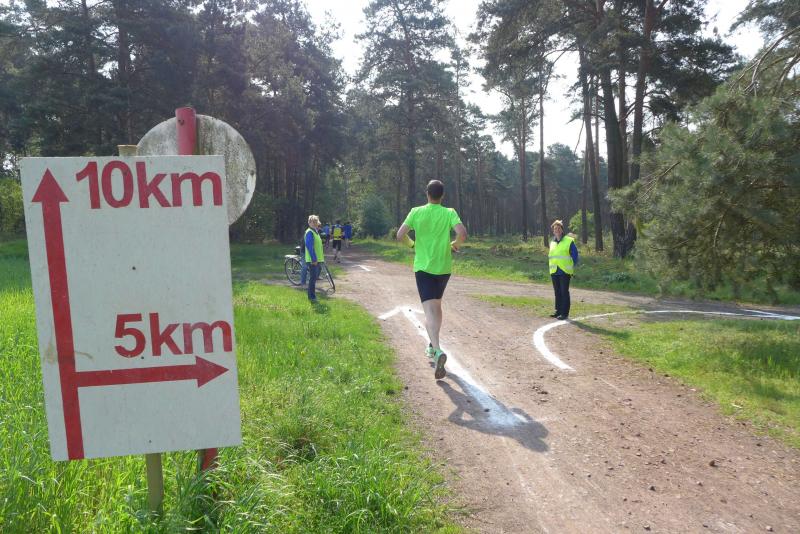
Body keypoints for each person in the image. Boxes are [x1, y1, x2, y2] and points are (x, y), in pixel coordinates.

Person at [397, 180, 467, 380]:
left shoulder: (416, 212)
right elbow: (462, 233)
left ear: (427, 193)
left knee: (429, 311)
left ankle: (437, 350)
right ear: (442, 195)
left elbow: (400, 235)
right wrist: (455, 244)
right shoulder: (449, 212)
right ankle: (432, 344)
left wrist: (412, 245)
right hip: (443, 268)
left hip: (423, 268)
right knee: (436, 306)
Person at [548, 219, 579, 320]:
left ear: (562, 230)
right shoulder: (552, 242)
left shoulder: (569, 241)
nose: (556, 230)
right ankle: (558, 311)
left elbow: (575, 256)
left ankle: (564, 313)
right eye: (555, 229)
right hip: (554, 271)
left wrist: (571, 266)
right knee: (557, 292)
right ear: (553, 231)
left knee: (564, 292)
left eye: (558, 228)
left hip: (564, 271)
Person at [304, 215, 325, 303]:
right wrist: (314, 259)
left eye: (315, 222)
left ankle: (312, 296)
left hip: (318, 259)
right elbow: (310, 247)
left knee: (314, 278)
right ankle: (311, 297)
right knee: (312, 279)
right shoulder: (309, 232)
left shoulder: (315, 231)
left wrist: (321, 259)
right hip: (313, 260)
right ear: (309, 223)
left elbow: (318, 246)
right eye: (312, 222)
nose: (314, 223)